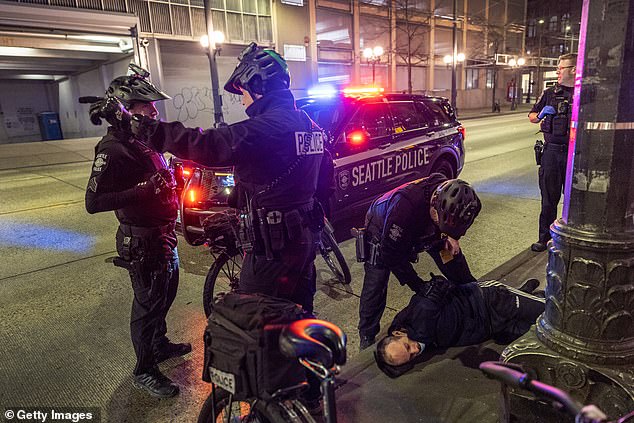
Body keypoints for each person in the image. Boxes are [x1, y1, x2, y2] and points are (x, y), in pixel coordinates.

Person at [91, 44, 328, 410]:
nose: (243, 99)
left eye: (245, 91)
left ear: (259, 86)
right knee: (301, 313)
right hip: (301, 242)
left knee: (251, 325)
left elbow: (208, 144)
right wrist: (239, 210)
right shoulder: (308, 126)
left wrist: (147, 127)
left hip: (272, 250)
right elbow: (298, 180)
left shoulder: (268, 125)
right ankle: (311, 391)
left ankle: (267, 406)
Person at [85, 66, 191, 398]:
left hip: (162, 235)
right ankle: (143, 370)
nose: (154, 111)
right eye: (147, 107)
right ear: (125, 110)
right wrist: (144, 190)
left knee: (165, 294)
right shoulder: (112, 149)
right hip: (141, 240)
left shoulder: (143, 141)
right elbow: (93, 202)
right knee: (146, 306)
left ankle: (158, 345)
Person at [358, 174, 482, 350]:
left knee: (452, 259)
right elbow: (391, 255)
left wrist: (451, 235)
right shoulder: (405, 206)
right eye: (442, 222)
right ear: (434, 205)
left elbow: (450, 236)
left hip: (425, 225)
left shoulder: (450, 198)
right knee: (376, 282)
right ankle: (366, 334)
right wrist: (418, 285)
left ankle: (475, 293)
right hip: (382, 231)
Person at [375, 277, 545, 378]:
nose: (415, 349)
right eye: (411, 356)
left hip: (492, 300)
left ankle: (525, 298)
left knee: (552, 313)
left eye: (407, 346)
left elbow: (442, 284)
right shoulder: (413, 335)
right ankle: (526, 294)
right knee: (537, 333)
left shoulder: (421, 312)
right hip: (493, 327)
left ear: (398, 333)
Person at [528, 53, 577, 252]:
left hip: (575, 154)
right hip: (552, 153)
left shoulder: (585, 94)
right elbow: (531, 116)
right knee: (548, 199)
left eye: (561, 68)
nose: (557, 71)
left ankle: (570, 238)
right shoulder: (550, 93)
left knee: (574, 201)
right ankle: (544, 237)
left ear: (574, 69)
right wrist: (540, 115)